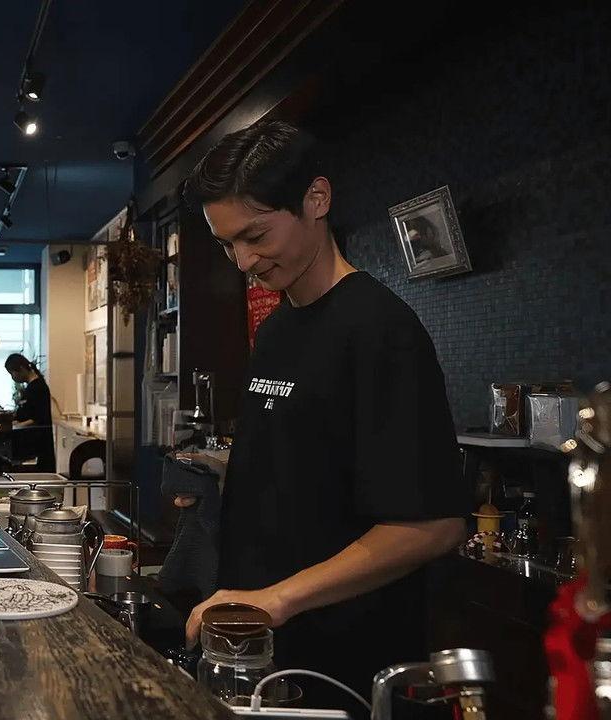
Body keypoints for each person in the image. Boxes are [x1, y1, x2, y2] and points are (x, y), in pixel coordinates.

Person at [175, 120, 469, 697]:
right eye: (227, 242)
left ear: (317, 198)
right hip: (268, 651)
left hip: (347, 658)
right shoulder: (276, 329)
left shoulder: (380, 329)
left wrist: (279, 597)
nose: (242, 261)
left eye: (256, 235)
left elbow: (432, 525)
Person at [4, 353, 56, 471]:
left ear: (21, 369)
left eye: (12, 373)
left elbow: (39, 418)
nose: (13, 377)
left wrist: (17, 426)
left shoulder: (38, 388)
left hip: (37, 441)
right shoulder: (30, 388)